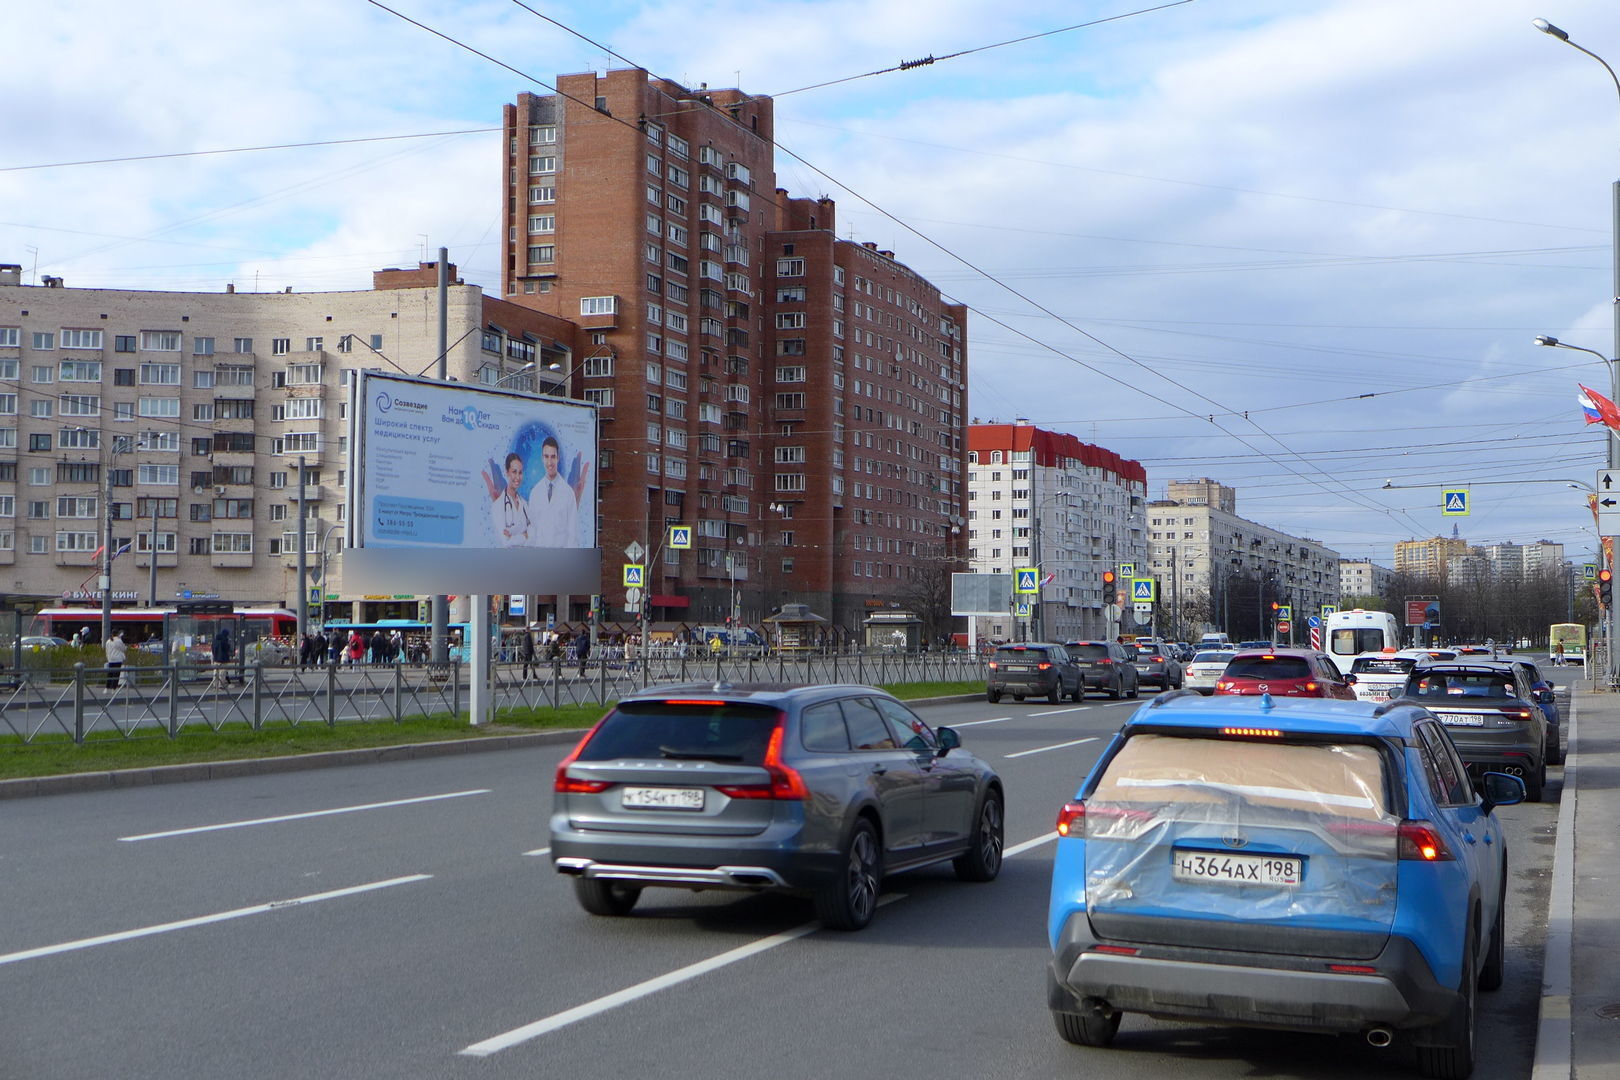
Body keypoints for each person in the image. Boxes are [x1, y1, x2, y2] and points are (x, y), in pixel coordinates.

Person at [528, 436, 587, 548]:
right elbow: (532, 532)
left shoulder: (568, 493)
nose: (549, 462)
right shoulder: (535, 493)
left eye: (553, 457)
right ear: (542, 458)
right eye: (546, 456)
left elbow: (573, 535)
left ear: (558, 458)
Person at [485, 452, 533, 547]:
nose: (518, 477)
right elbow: (506, 542)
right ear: (507, 473)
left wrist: (514, 537)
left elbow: (534, 535)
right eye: (514, 472)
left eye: (520, 472)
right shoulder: (497, 506)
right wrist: (525, 535)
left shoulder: (525, 505)